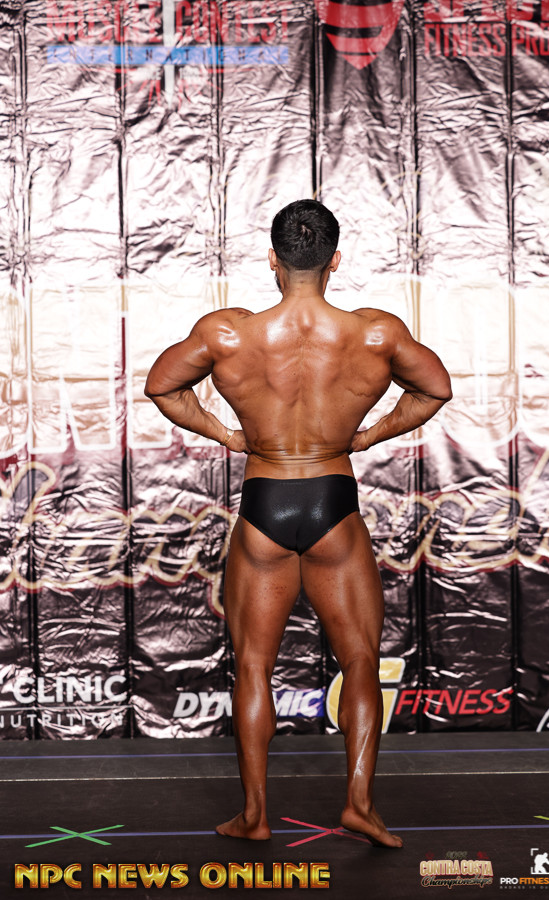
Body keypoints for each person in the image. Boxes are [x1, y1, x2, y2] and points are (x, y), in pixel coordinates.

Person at [144, 199, 452, 849]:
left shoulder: (229, 333)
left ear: (272, 259)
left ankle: (254, 816)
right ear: (335, 260)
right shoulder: (375, 333)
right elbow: (435, 389)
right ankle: (360, 805)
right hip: (332, 500)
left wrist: (226, 432)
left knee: (254, 665)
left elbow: (163, 386)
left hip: (265, 502)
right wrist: (368, 435)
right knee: (361, 659)